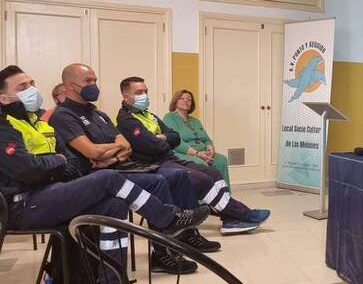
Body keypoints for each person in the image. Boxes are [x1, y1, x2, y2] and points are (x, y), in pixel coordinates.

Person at [0, 73, 209, 281]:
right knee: (107, 178)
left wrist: (57, 162)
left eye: (32, 84)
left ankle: (114, 278)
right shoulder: (5, 127)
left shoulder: (40, 123)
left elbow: (72, 163)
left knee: (114, 205)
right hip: (23, 204)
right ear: (3, 98)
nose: (31, 90)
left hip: (53, 190)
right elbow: (28, 170)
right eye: (22, 87)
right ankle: (167, 218)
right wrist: (58, 161)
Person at [48, 64, 220, 270]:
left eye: (95, 80)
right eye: (87, 81)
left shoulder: (99, 114)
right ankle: (166, 241)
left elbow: (126, 146)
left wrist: (107, 152)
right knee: (159, 181)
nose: (93, 85)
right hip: (94, 177)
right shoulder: (64, 115)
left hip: (117, 167)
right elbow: (92, 153)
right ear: (69, 86)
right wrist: (110, 150)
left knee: (172, 177)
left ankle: (178, 238)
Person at [116, 77, 270, 234]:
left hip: (169, 157)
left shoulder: (150, 115)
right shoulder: (125, 120)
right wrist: (162, 139)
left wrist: (161, 138)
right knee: (201, 179)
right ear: (126, 96)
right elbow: (152, 145)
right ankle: (243, 214)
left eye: (146, 91)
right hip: (154, 163)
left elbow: (174, 137)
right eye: (139, 92)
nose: (145, 95)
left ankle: (229, 219)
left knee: (213, 172)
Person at [163, 90, 230, 187]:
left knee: (221, 160)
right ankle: (204, 197)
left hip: (202, 152)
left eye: (189, 100)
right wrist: (197, 153)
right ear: (175, 101)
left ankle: (223, 195)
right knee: (200, 163)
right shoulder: (169, 117)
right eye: (182, 98)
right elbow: (175, 141)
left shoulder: (195, 121)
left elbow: (206, 139)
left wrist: (210, 149)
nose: (186, 101)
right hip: (182, 153)